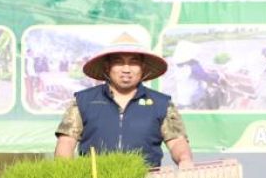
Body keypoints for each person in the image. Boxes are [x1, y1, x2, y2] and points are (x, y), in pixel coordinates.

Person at [54, 34, 193, 169]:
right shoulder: (83, 101)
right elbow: (66, 141)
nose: (126, 69)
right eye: (119, 62)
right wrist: (65, 173)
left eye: (133, 62)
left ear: (142, 68)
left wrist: (185, 159)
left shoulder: (162, 104)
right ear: (108, 67)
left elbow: (176, 141)